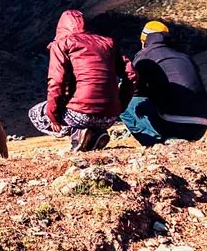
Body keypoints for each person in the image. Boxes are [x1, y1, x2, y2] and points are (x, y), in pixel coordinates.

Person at [29, 10, 137, 152]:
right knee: (80, 110)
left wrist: (53, 115)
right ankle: (95, 134)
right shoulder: (109, 43)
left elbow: (57, 81)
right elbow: (132, 75)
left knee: (36, 113)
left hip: (80, 114)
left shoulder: (62, 43)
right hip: (110, 116)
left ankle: (78, 132)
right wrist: (120, 106)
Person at [120, 21, 207, 146]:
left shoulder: (144, 55)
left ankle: (156, 143)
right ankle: (176, 139)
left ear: (144, 40)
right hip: (202, 124)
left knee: (125, 101)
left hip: (175, 123)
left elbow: (135, 89)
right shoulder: (183, 56)